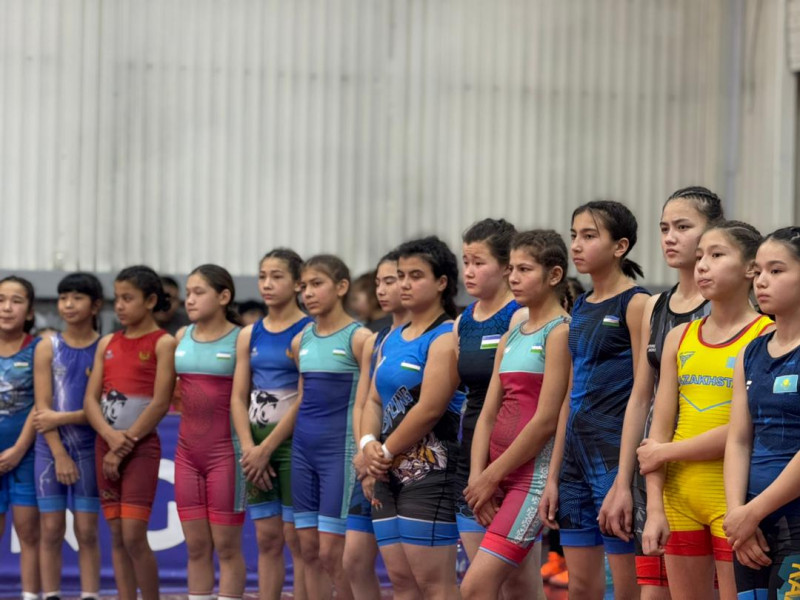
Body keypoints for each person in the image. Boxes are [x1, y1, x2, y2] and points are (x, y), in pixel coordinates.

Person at [598, 186, 723, 599]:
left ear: (713, 231)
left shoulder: (725, 306)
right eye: (664, 228)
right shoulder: (655, 306)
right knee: (652, 593)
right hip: (653, 471)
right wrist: (622, 481)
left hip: (707, 468)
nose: (670, 237)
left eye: (682, 227)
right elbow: (640, 398)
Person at [641, 221, 772, 600]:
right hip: (678, 497)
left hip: (733, 499)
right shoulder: (679, 337)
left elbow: (743, 429)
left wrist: (666, 452)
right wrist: (655, 508)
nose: (701, 266)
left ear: (750, 268)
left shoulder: (765, 336)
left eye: (716, 255)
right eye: (699, 256)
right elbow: (658, 430)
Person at [540, 200, 650, 599]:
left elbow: (644, 394)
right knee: (581, 587)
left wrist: (624, 481)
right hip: (575, 462)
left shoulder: (637, 304)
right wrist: (553, 476)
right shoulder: (581, 305)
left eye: (589, 236)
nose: (576, 245)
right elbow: (569, 396)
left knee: (627, 590)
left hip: (613, 461)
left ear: (620, 246)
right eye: (574, 235)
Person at [460, 230, 572, 599]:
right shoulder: (511, 336)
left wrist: (491, 476)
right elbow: (487, 413)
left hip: (529, 480)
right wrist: (479, 476)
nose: (513, 278)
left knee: (475, 588)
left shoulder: (560, 332)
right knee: (519, 590)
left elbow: (546, 420)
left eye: (525, 269)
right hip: (494, 478)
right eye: (511, 269)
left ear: (554, 275)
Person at [361, 236, 464, 600]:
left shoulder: (446, 336)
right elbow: (373, 400)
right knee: (402, 583)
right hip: (386, 472)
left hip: (430, 473)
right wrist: (367, 444)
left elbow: (430, 409)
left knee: (434, 585)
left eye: (415, 276)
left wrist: (384, 452)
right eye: (401, 275)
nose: (404, 283)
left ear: (441, 282)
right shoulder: (392, 339)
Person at [83, 265, 177, 600]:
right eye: (117, 298)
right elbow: (90, 400)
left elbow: (160, 402)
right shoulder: (107, 342)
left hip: (140, 449)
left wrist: (123, 444)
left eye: (128, 298)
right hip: (105, 445)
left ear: (150, 301)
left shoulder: (164, 343)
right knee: (117, 535)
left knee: (134, 535)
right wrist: (110, 438)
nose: (120, 306)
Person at [230, 248, 312, 600]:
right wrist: (250, 448)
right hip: (256, 449)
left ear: (297, 284)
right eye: (262, 276)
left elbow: (305, 397)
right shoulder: (249, 334)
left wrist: (267, 447)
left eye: (277, 277)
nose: (267, 284)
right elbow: (238, 397)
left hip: (292, 446)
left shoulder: (309, 331)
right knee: (266, 539)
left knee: (299, 541)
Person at [724, 227, 800, 598]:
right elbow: (739, 439)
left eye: (776, 270)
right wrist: (737, 513)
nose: (761, 281)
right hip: (749, 527)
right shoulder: (750, 352)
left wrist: (752, 511)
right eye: (758, 271)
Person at [291, 255, 370, 599]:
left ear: (341, 287)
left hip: (339, 453)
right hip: (302, 451)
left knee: (331, 553)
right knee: (308, 549)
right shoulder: (301, 341)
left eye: (317, 284)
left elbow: (369, 402)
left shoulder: (359, 338)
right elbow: (301, 398)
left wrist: (364, 448)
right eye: (303, 286)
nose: (307, 293)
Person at [344, 251, 417, 599]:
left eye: (391, 281)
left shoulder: (437, 335)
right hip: (372, 459)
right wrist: (364, 451)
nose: (383, 290)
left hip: (409, 462)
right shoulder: (376, 339)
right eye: (379, 283)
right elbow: (363, 403)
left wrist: (380, 456)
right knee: (353, 560)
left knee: (408, 573)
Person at [174, 265, 246, 600]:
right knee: (196, 546)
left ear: (224, 296)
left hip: (226, 455)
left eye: (198, 292)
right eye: (187, 293)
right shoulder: (181, 337)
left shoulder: (241, 339)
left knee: (227, 547)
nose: (189, 300)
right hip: (186, 455)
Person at [33, 273, 104, 600]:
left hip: (90, 446)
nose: (68, 304)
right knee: (50, 529)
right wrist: (59, 454)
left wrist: (63, 418)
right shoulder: (47, 347)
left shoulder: (105, 347)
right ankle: (51, 594)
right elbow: (42, 410)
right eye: (63, 298)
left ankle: (90, 594)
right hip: (49, 449)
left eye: (77, 298)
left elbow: (100, 408)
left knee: (87, 531)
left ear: (96, 306)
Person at [0, 276, 42, 600]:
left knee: (28, 532)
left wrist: (18, 449)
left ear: (29, 311)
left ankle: (30, 596)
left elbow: (41, 403)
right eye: (1, 300)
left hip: (25, 455)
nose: (7, 308)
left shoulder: (38, 349)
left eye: (16, 301)